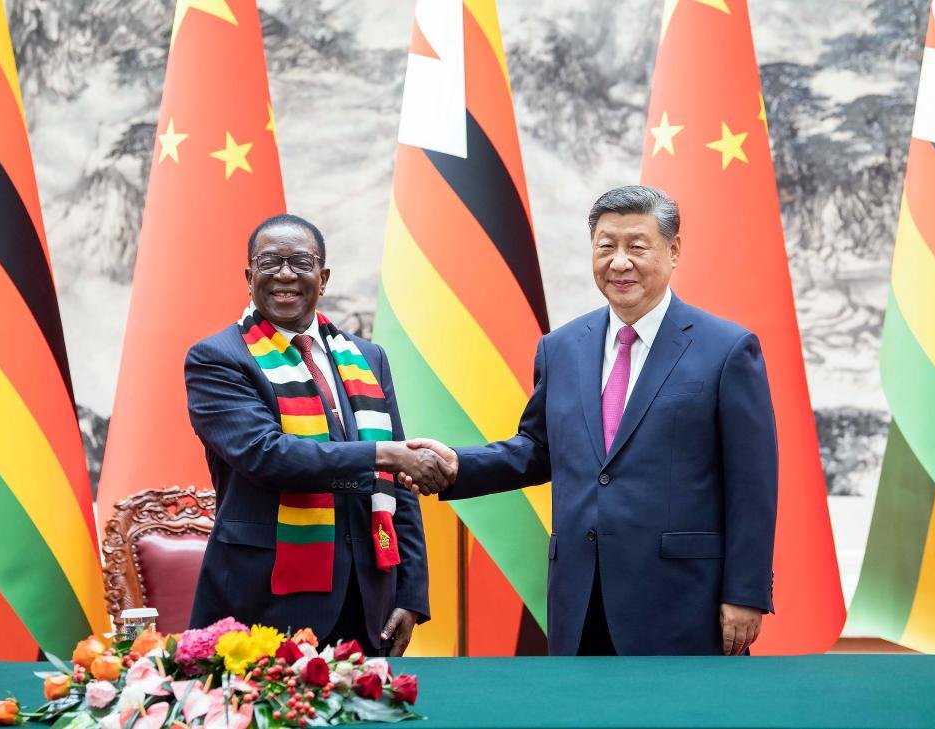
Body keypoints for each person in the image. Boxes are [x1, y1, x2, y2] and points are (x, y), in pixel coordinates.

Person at [405, 186, 778, 656]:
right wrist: (459, 465)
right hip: (580, 596)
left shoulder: (726, 349)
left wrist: (745, 593)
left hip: (683, 599)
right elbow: (538, 450)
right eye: (606, 246)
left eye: (636, 246)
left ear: (674, 250)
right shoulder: (560, 348)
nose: (619, 262)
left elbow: (753, 483)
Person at [185, 213, 449, 656]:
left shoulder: (367, 357)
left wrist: (410, 594)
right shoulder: (217, 358)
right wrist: (382, 455)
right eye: (270, 262)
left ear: (322, 278)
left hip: (367, 600)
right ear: (249, 277)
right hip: (264, 604)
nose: (285, 274)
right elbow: (267, 455)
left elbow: (399, 485)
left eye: (300, 262)